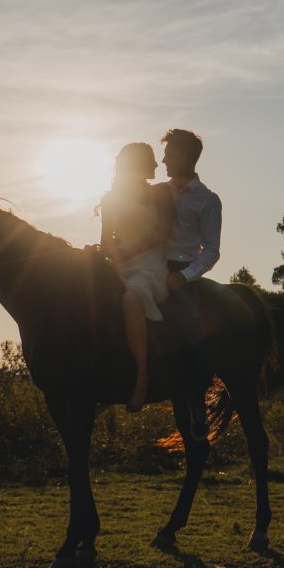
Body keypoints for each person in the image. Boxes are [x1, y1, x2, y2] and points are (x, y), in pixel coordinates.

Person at [99, 143, 176, 411]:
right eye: (147, 161)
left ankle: (142, 376)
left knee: (131, 297)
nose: (153, 166)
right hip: (120, 263)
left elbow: (162, 234)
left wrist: (127, 251)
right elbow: (105, 240)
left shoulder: (161, 193)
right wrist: (109, 254)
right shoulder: (110, 199)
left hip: (150, 265)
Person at [160, 129, 222, 439]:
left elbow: (211, 250)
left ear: (186, 157)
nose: (164, 160)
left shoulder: (207, 200)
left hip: (182, 270)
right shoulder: (157, 192)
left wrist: (183, 277)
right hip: (149, 264)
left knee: (189, 331)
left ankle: (198, 404)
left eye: (169, 154)